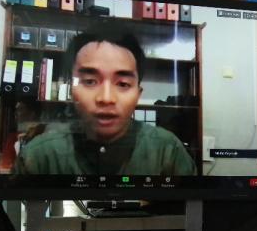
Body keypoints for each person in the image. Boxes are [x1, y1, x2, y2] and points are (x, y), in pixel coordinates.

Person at [14, 24, 197, 175]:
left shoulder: (168, 151)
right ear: (72, 91)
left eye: (123, 84)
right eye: (90, 81)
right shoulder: (38, 156)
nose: (106, 98)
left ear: (138, 95)